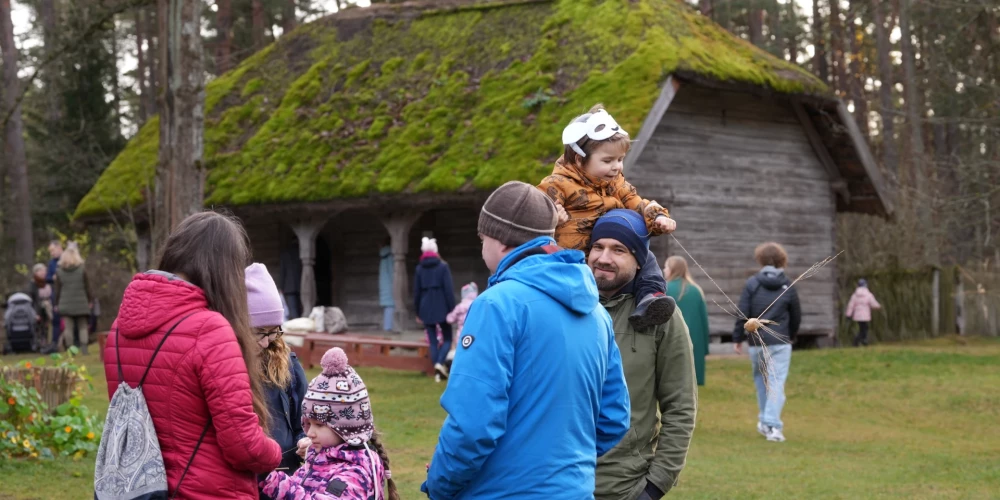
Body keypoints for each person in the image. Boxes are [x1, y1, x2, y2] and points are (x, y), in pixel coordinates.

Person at [422, 181, 631, 500]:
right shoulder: (597, 313)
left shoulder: (496, 305)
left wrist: (440, 484)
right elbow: (614, 417)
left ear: (501, 240)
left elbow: (473, 423)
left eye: (482, 237)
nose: (482, 246)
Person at [104, 212, 281, 498]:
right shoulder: (209, 330)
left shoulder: (118, 330)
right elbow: (243, 446)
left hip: (142, 490)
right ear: (224, 269)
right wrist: (276, 452)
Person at [538, 104, 677, 330]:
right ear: (579, 159)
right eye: (608, 161)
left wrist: (657, 216)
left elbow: (636, 202)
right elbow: (533, 219)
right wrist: (551, 220)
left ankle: (650, 298)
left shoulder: (616, 182)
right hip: (572, 256)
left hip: (605, 249)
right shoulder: (556, 185)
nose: (617, 167)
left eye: (620, 159)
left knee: (646, 256)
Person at [588, 210, 697, 500]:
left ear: (639, 260)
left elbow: (681, 406)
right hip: (555, 483)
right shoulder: (564, 308)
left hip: (623, 487)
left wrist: (654, 487)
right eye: (597, 247)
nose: (603, 258)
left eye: (618, 250)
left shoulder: (661, 317)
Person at [262, 347, 399, 500]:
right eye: (309, 424)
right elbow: (299, 486)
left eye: (319, 425)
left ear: (346, 427)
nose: (310, 433)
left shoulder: (354, 473)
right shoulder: (318, 458)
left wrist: (274, 481)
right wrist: (268, 477)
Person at [245, 263, 310, 499]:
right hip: (247, 481)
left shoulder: (288, 363)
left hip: (287, 479)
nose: (266, 341)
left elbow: (304, 418)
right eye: (259, 332)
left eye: (274, 331)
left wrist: (304, 439)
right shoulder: (228, 366)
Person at [732, 242, 801, 443]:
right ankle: (772, 425)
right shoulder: (788, 284)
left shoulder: (752, 283)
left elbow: (742, 313)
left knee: (763, 382)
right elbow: (796, 315)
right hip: (780, 342)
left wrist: (737, 337)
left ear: (760, 259)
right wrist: (792, 334)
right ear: (782, 260)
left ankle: (765, 421)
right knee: (776, 382)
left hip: (756, 342)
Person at [412, 237, 456, 380]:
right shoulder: (443, 266)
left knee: (433, 341)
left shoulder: (419, 268)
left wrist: (417, 311)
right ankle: (439, 364)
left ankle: (437, 366)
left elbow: (416, 292)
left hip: (425, 306)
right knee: (448, 338)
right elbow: (448, 290)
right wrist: (452, 309)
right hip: (442, 306)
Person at [664, 256, 711, 386]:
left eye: (666, 267)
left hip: (670, 339)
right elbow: (704, 321)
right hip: (694, 340)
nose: (664, 270)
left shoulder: (664, 289)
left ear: (672, 269)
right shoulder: (696, 290)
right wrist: (705, 347)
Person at [55, 242, 93, 354]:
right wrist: (90, 300)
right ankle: (84, 349)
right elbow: (87, 287)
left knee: (68, 328)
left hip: (65, 303)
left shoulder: (59, 271)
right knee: (83, 327)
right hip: (81, 302)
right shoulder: (82, 269)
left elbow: (57, 290)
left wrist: (56, 303)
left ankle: (71, 350)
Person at [846, 278, 881, 347]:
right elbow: (873, 303)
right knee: (864, 329)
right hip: (865, 315)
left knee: (862, 328)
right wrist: (878, 306)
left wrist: (848, 315)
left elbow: (851, 305)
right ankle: (859, 340)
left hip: (857, 316)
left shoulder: (854, 295)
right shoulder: (868, 294)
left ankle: (862, 340)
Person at [28, 263, 52, 350]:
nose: (43, 273)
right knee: (39, 327)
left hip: (48, 308)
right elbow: (32, 299)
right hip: (38, 309)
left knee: (47, 327)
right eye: (41, 271)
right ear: (36, 272)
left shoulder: (48, 282)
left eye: (44, 271)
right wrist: (35, 313)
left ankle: (47, 343)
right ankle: (39, 344)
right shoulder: (33, 284)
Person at [45, 240, 63, 348]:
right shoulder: (51, 263)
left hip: (66, 293)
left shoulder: (67, 259)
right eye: (50, 251)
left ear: (59, 248)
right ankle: (54, 343)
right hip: (55, 293)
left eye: (53, 250)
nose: (52, 253)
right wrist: (52, 278)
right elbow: (47, 278)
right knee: (55, 319)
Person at [280, 240, 303, 319]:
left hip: (289, 286)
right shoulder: (301, 252)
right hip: (302, 285)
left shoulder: (285, 254)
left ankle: (296, 325)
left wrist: (281, 287)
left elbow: (283, 272)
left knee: (293, 309)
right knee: (301, 307)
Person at [378, 238, 395, 331]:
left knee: (388, 307)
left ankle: (387, 326)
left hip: (385, 285)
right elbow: (392, 272)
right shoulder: (390, 256)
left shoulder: (384, 256)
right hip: (390, 285)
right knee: (390, 306)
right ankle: (388, 327)